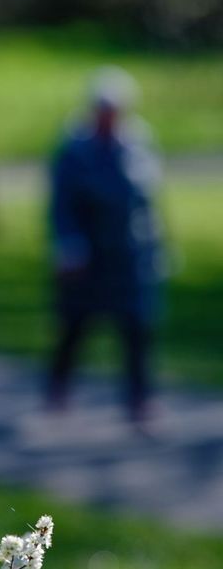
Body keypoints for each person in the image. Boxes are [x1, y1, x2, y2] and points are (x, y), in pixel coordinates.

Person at [46, 67, 165, 429]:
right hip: (86, 256)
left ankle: (139, 399)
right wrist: (68, 246)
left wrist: (155, 248)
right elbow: (61, 204)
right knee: (75, 326)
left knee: (136, 328)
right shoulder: (74, 149)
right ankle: (58, 391)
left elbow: (147, 204)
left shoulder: (138, 145)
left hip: (128, 255)